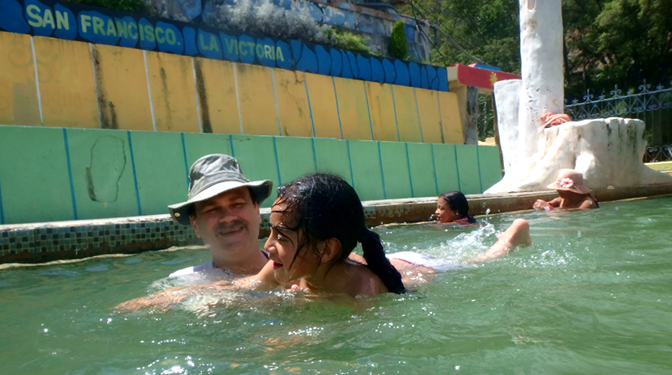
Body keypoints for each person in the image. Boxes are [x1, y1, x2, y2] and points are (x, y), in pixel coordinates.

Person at [116, 174, 532, 311]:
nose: (268, 244)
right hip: (354, 255)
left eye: (278, 234)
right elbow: (243, 287)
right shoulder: (290, 262)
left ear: (324, 250)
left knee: (478, 261)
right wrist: (166, 299)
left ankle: (507, 240)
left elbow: (345, 334)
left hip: (407, 269)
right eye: (211, 209)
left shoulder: (364, 290)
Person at [166, 154, 273, 279]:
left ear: (257, 211)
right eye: (212, 210)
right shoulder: (185, 283)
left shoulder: (295, 268)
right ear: (195, 225)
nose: (228, 217)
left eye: (237, 204)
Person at [533, 169, 600, 211]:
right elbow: (552, 203)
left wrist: (547, 208)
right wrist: (541, 204)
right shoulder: (562, 199)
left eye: (561, 188)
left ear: (571, 190)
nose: (557, 190)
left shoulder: (587, 202)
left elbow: (575, 215)